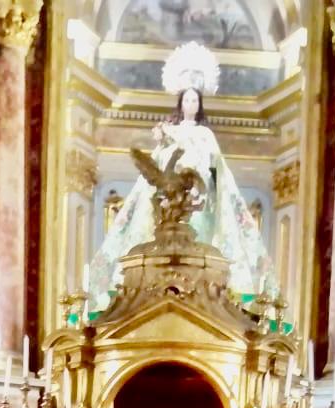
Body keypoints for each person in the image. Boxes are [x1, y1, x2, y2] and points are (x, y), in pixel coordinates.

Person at [88, 85, 275, 309]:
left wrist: (198, 181)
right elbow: (159, 164)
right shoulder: (169, 131)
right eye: (187, 100)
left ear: (200, 105)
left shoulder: (205, 134)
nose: (191, 105)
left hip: (198, 197)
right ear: (180, 104)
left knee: (200, 241)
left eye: (195, 101)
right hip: (171, 198)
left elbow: (214, 165)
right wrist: (163, 140)